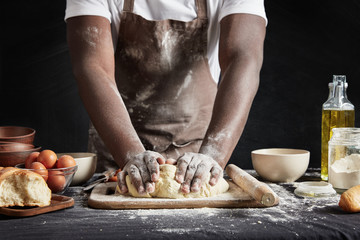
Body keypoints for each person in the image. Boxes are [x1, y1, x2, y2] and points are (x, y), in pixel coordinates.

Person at [65, 0, 267, 195]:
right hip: (118, 163)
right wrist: (131, 156)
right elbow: (92, 67)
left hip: (198, 160)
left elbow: (243, 59)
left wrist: (213, 155)